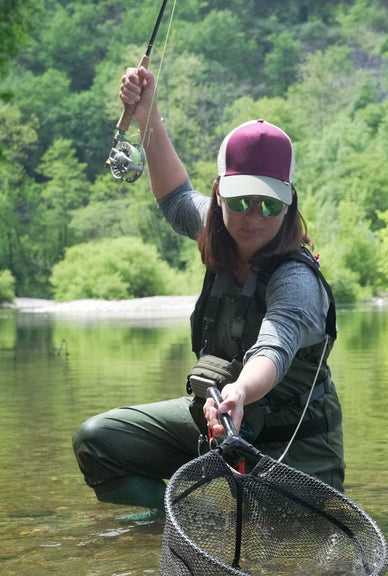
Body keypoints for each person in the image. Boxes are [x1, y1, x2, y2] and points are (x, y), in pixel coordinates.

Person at [71, 65, 343, 519]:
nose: (252, 216)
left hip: (292, 448)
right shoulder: (219, 230)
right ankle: (179, 520)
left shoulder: (296, 280)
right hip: (223, 423)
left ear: (289, 202)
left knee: (279, 537)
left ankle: (235, 512)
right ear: (219, 194)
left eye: (269, 203)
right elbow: (177, 199)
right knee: (98, 442)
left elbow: (274, 347)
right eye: (240, 199)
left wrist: (238, 391)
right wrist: (146, 114)